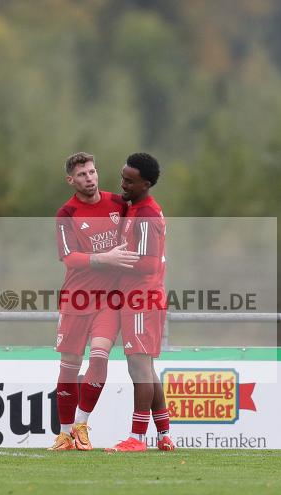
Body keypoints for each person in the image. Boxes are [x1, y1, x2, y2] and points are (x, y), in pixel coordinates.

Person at [51, 152, 139, 451]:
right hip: (76, 298)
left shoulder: (119, 204)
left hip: (109, 299)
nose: (89, 178)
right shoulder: (67, 214)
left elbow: (143, 228)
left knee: (100, 357)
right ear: (71, 180)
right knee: (69, 366)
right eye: (82, 175)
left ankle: (81, 424)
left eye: (92, 172)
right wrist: (105, 257)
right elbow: (69, 258)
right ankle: (64, 434)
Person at [106, 152, 175, 452]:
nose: (123, 184)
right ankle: (164, 435)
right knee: (147, 367)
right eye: (122, 177)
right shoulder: (137, 208)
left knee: (139, 368)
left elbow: (147, 264)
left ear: (145, 184)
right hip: (139, 297)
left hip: (142, 299)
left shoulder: (146, 214)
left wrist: (112, 263)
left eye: (129, 181)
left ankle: (136, 438)